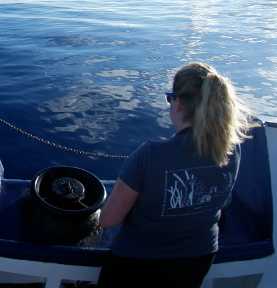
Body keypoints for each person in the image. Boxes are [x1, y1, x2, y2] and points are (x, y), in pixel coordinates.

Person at [96, 62, 252, 288]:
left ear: (178, 103)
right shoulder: (232, 149)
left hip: (136, 266)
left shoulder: (150, 155)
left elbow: (108, 220)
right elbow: (223, 201)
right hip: (196, 263)